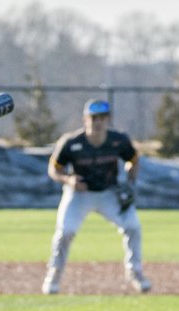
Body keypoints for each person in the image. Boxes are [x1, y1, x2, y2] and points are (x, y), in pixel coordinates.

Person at [42, 97, 151, 295]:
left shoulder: (118, 140)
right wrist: (68, 180)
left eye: (102, 117)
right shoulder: (71, 142)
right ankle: (54, 275)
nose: (98, 122)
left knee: (133, 226)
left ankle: (135, 273)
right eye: (93, 118)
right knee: (66, 231)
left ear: (108, 120)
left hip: (109, 193)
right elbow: (53, 169)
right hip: (79, 194)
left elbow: (133, 159)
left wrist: (130, 181)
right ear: (85, 120)